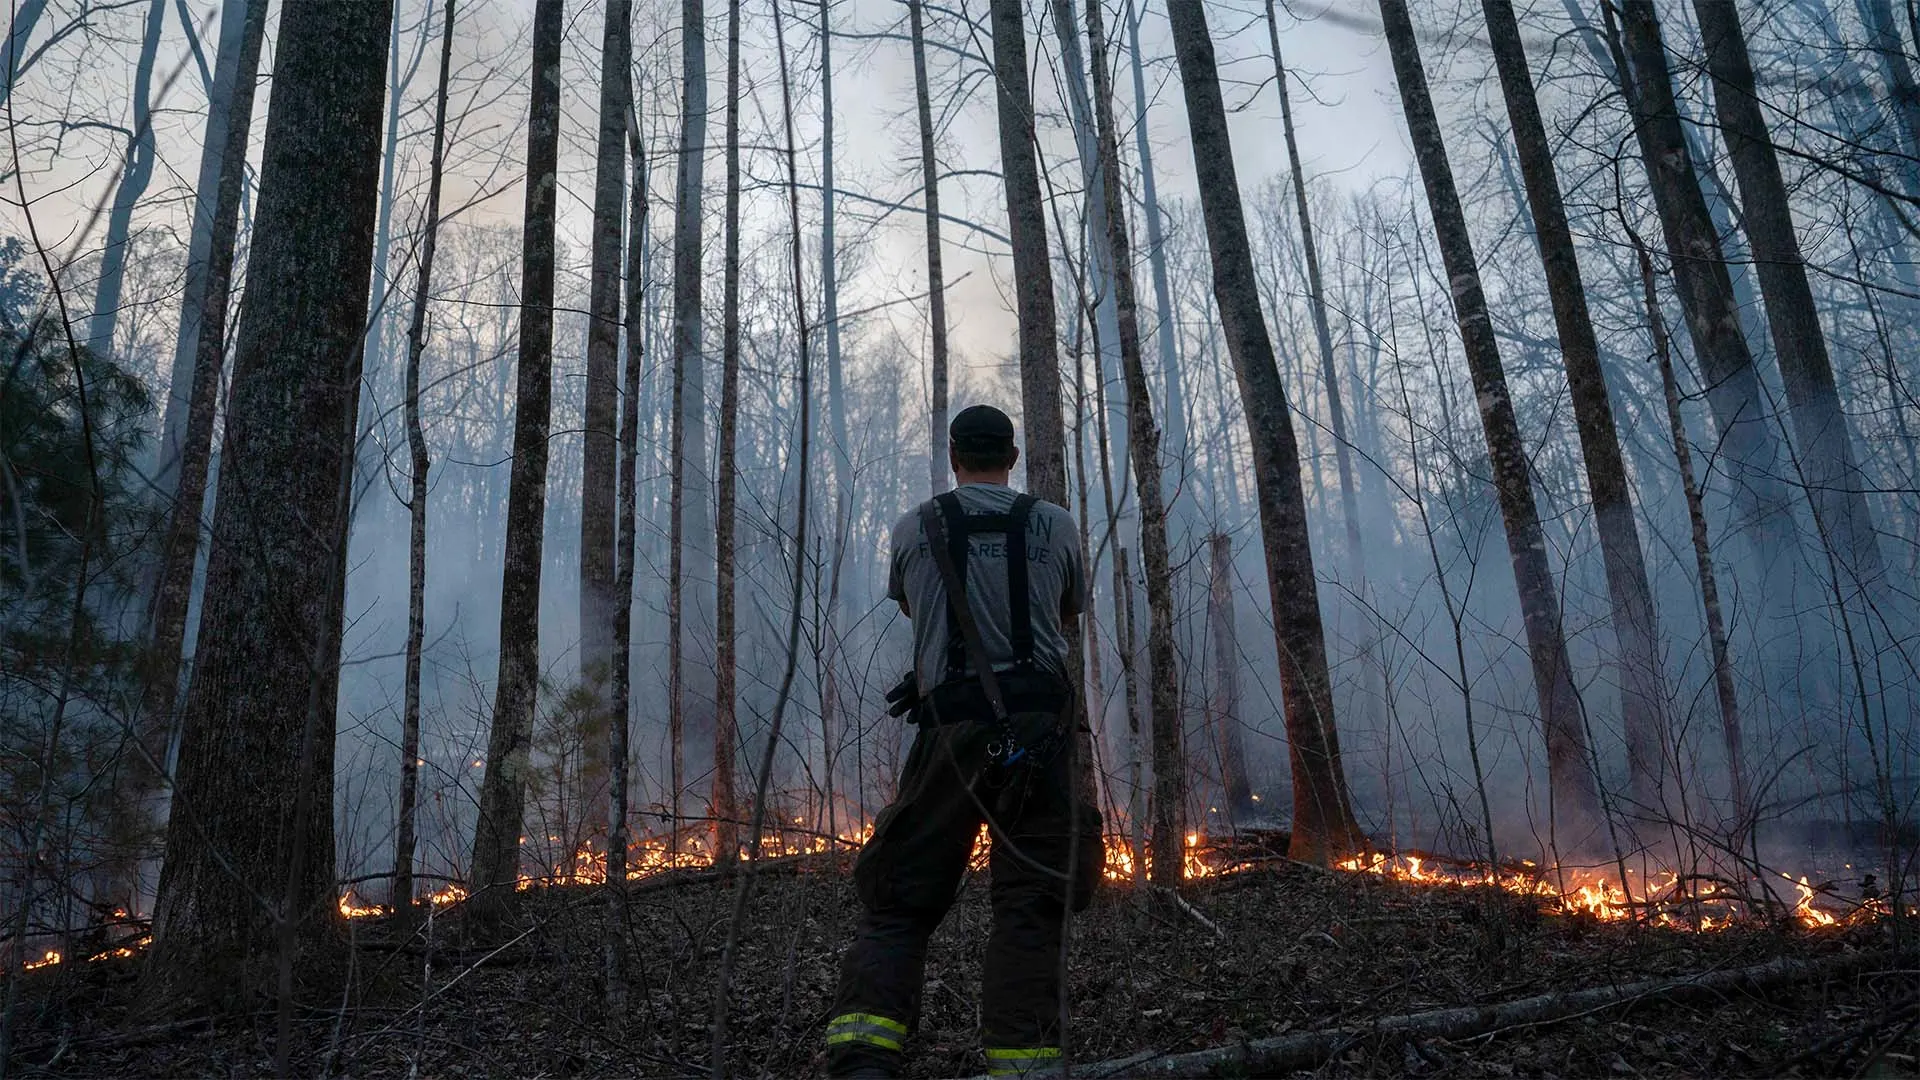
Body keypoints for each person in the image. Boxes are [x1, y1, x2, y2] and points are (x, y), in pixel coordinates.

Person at [824, 405, 1103, 1079]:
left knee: (899, 899)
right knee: (1032, 904)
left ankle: (864, 1060)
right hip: (1036, 739)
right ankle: (1027, 1066)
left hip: (948, 733)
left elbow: (914, 609)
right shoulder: (1055, 524)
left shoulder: (914, 527)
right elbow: (1066, 614)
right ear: (1012, 456)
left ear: (954, 457)